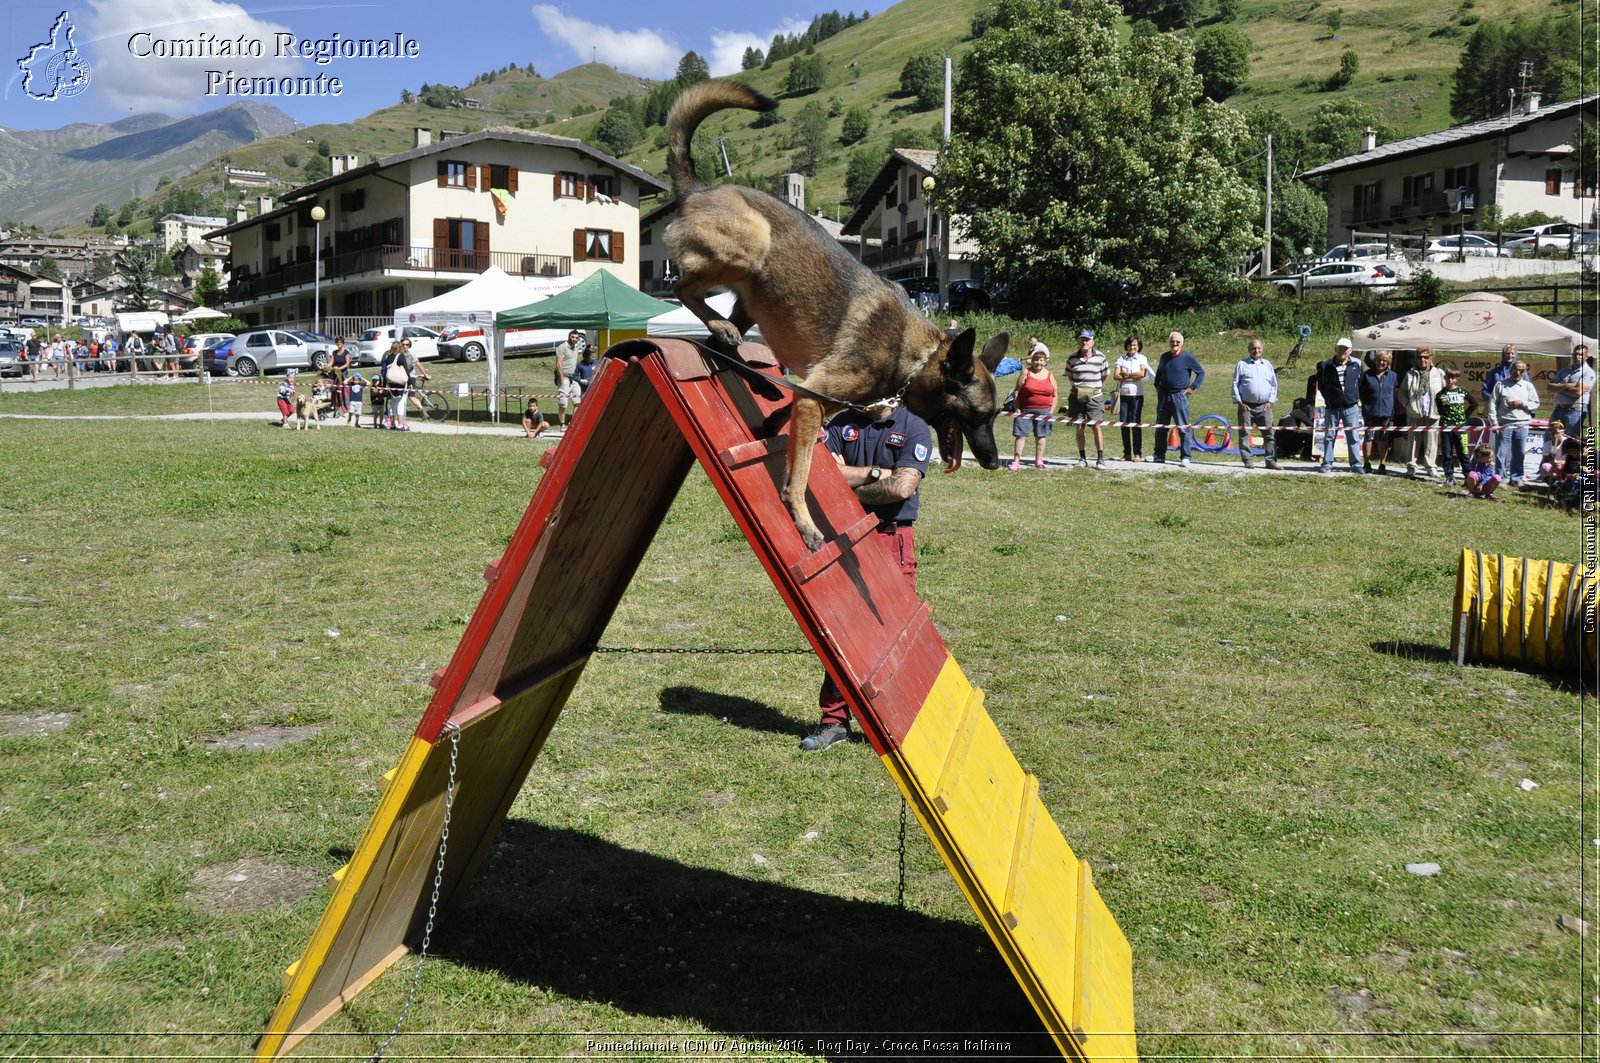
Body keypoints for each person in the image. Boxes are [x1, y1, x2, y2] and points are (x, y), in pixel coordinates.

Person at [801, 403, 932, 751]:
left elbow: (902, 488)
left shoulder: (915, 425)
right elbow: (817, 469)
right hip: (845, 536)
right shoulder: (844, 422)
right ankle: (834, 721)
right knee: (841, 630)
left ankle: (898, 725)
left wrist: (849, 481)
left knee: (895, 632)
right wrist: (877, 474)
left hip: (891, 538)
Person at [1152, 331, 1204, 467]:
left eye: (1177, 341)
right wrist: (1157, 386)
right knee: (1161, 427)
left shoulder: (1188, 358)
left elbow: (1201, 373)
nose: (1174, 343)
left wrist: (1193, 387)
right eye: (1172, 341)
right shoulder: (1164, 357)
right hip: (1164, 396)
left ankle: (1186, 456)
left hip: (1179, 396)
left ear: (1182, 343)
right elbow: (1158, 373)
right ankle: (1159, 455)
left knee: (1183, 427)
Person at [1317, 338, 1365, 474]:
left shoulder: (1357, 364)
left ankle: (1356, 464)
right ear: (1335, 349)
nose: (1342, 351)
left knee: (1353, 436)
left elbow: (1361, 382)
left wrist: (1353, 397)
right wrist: (1328, 398)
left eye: (1345, 349)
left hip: (1351, 406)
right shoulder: (1326, 365)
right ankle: (1327, 463)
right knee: (1329, 436)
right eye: (1340, 348)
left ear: (1350, 351)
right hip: (1332, 407)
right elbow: (1321, 384)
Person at [1231, 336, 1279, 469]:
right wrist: (1239, 402)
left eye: (1258, 348)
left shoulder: (1268, 365)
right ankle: (1248, 460)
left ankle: (1270, 460)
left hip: (1265, 406)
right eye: (1253, 348)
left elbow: (1274, 385)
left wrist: (1271, 401)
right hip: (1246, 406)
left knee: (1270, 434)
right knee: (1244, 434)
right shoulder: (1242, 364)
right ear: (1249, 350)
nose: (1256, 351)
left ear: (1262, 350)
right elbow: (1235, 383)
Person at [1489, 359, 1540, 486]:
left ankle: (1516, 478)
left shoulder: (1528, 386)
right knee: (1501, 452)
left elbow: (1535, 403)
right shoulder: (1500, 384)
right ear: (1510, 370)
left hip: (1522, 423)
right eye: (1515, 369)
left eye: (1521, 370)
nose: (1517, 372)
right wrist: (1494, 423)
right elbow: (1492, 404)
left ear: (1525, 372)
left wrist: (1522, 403)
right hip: (1504, 422)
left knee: (1519, 452)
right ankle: (1500, 477)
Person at [1064, 329, 1109, 467]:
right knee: (1079, 428)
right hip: (1077, 397)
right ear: (1079, 341)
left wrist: (1096, 388)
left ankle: (1100, 458)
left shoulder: (1101, 357)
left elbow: (1105, 375)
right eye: (1082, 339)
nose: (1084, 342)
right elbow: (1069, 375)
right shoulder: (1072, 358)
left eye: (1087, 340)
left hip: (1095, 397)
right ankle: (1082, 458)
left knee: (1097, 427)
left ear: (1092, 342)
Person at [1398, 348, 1445, 479]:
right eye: (1420, 357)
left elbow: (1444, 391)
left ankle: (1430, 467)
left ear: (1431, 358)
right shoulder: (1410, 374)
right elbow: (1401, 393)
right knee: (1413, 439)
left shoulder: (1439, 373)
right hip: (1414, 412)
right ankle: (1411, 466)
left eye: (1426, 357)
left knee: (1432, 440)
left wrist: (1441, 407)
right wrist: (1407, 405)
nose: (1422, 360)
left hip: (1433, 412)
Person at [1008, 346, 1057, 470]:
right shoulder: (1026, 372)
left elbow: (1055, 395)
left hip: (1044, 410)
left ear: (1045, 361)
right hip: (1025, 410)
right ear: (1032, 360)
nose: (1038, 363)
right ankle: (1016, 461)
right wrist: (1017, 408)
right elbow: (1017, 391)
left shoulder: (1050, 375)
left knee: (1041, 436)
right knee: (1021, 436)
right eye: (1036, 359)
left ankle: (1039, 461)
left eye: (1041, 360)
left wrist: (1051, 411)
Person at [1434, 367, 1477, 486]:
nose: (1450, 380)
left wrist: (1465, 417)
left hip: (1461, 427)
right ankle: (1449, 476)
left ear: (1457, 379)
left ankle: (1468, 476)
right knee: (1447, 453)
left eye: (1453, 378)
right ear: (1445, 378)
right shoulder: (1440, 394)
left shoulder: (1462, 391)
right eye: (1448, 377)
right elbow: (1440, 410)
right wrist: (1446, 420)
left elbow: (1474, 403)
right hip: (1446, 427)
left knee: (1463, 451)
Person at [1358, 350, 1396, 474]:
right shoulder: (1367, 375)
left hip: (1386, 412)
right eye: (1379, 360)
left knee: (1383, 438)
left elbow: (1394, 393)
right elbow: (1361, 392)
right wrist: (1366, 405)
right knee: (1368, 437)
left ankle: (1382, 464)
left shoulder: (1393, 376)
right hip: (1370, 411)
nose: (1381, 362)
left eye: (1384, 361)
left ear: (1388, 362)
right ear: (1375, 361)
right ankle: (1366, 463)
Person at [1114, 335, 1151, 462]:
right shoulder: (1121, 359)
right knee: (1124, 423)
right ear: (1127, 346)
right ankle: (1127, 453)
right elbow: (1116, 375)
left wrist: (1127, 374)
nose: (1132, 347)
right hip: (1123, 395)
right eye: (1130, 345)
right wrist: (1131, 377)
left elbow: (1142, 373)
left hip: (1137, 395)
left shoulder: (1142, 358)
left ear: (1138, 346)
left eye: (1135, 345)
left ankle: (1138, 453)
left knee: (1136, 422)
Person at [1549, 343, 1592, 438]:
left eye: (1580, 354)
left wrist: (1559, 387)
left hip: (1575, 411)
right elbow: (1550, 387)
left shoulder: (1588, 372)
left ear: (1586, 356)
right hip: (1559, 409)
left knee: (1571, 441)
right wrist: (1568, 385)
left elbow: (1578, 392)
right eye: (1575, 354)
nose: (1577, 356)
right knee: (1550, 438)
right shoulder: (1564, 371)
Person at [553, 329, 586, 428]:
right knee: (563, 403)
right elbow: (559, 364)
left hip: (573, 379)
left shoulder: (575, 348)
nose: (574, 339)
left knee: (578, 401)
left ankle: (573, 424)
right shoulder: (562, 347)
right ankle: (562, 424)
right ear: (569, 337)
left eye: (576, 338)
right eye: (572, 337)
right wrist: (562, 379)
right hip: (564, 377)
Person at [329, 338, 352, 413]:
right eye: (337, 342)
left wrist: (339, 368)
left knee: (343, 392)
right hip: (335, 374)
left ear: (343, 343)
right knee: (335, 391)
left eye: (340, 342)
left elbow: (347, 364)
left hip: (343, 375)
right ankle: (335, 406)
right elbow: (331, 363)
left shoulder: (346, 353)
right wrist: (326, 366)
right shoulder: (334, 353)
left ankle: (346, 408)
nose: (339, 344)